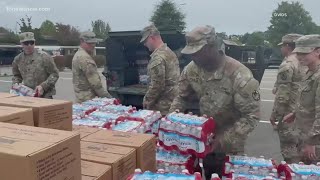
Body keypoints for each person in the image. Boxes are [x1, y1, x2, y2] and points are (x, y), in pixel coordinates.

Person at [169, 25, 260, 178]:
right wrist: (172, 122)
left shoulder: (239, 75)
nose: (193, 57)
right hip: (203, 139)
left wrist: (222, 140)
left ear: (212, 47)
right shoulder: (192, 69)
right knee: (209, 173)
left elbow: (251, 116)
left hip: (230, 143)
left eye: (198, 52)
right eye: (191, 53)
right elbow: (181, 96)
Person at [269, 34, 307, 163]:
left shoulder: (288, 64)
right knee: (303, 149)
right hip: (304, 113)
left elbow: (283, 95)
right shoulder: (306, 62)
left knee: (289, 151)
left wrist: (275, 114)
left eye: (282, 46)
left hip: (288, 114)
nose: (281, 49)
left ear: (287, 46)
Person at [283, 34, 320, 164]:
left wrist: (312, 142)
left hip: (315, 141)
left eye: (304, 53)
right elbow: (309, 102)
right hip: (305, 135)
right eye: (298, 53)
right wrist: (295, 113)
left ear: (318, 51)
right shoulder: (310, 72)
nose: (300, 57)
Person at [140, 24, 180, 115]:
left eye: (145, 41)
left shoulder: (158, 57)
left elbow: (157, 85)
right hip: (172, 104)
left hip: (162, 108)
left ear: (152, 38)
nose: (145, 44)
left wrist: (147, 101)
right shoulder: (169, 52)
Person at [12, 32, 59, 98]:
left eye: (31, 42)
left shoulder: (44, 57)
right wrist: (16, 84)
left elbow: (55, 74)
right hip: (27, 95)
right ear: (21, 44)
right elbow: (16, 75)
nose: (29, 45)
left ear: (34, 43)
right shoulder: (18, 59)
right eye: (26, 43)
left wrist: (43, 86)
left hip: (45, 95)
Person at [72, 31, 112, 103]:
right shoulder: (85, 58)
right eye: (89, 43)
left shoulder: (78, 54)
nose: (93, 45)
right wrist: (110, 99)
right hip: (89, 100)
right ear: (82, 41)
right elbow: (96, 84)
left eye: (94, 43)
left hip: (81, 98)